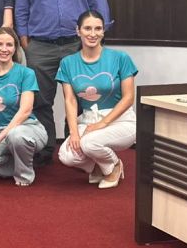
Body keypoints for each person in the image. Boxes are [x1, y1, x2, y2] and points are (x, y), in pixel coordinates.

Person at [14, 0, 111, 166]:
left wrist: (97, 37)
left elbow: (98, 3)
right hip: (40, 46)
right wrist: (25, 41)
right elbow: (21, 10)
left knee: (81, 97)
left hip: (77, 45)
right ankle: (45, 147)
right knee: (40, 100)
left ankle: (76, 145)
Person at [56, 10, 138, 189]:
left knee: (89, 143)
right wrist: (74, 132)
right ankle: (101, 166)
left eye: (98, 29)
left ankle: (113, 166)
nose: (93, 34)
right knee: (66, 155)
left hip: (120, 120)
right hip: (88, 119)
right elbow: (70, 101)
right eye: (87, 28)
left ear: (103, 31)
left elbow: (129, 97)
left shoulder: (120, 58)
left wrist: (103, 123)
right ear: (78, 31)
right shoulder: (67, 63)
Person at [0, 27, 48, 187]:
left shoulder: (26, 73)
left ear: (15, 48)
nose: (4, 49)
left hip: (27, 128)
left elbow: (25, 111)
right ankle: (18, 163)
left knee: (16, 136)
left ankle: (24, 174)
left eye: (9, 45)